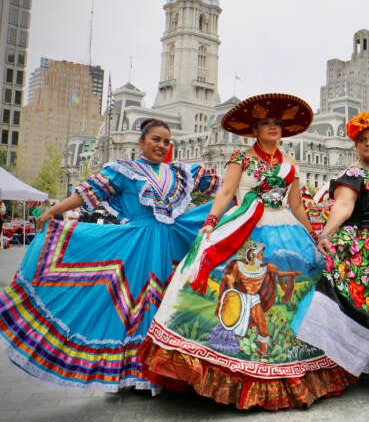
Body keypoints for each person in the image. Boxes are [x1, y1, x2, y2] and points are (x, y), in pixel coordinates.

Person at [138, 93, 354, 411]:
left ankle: (287, 361)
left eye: (277, 123)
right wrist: (211, 222)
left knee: (293, 290)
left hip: (286, 231)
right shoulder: (240, 159)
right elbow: (226, 192)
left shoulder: (290, 165)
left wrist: (314, 235)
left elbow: (295, 205)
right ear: (254, 129)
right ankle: (231, 362)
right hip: (246, 228)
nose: (273, 128)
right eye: (266, 123)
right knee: (233, 282)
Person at [0, 118, 220, 391]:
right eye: (155, 140)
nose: (161, 146)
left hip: (172, 242)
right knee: (135, 305)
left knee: (170, 302)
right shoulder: (124, 171)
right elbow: (86, 193)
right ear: (141, 142)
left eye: (166, 141)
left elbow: (224, 185)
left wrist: (249, 183)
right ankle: (140, 373)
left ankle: (165, 370)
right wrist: (53, 211)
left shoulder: (178, 172)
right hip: (138, 245)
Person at [295, 112, 369, 383]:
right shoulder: (352, 174)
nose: (368, 144)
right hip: (362, 248)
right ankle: (351, 363)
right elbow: (344, 207)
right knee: (359, 302)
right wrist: (325, 233)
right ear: (355, 146)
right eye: (362, 140)